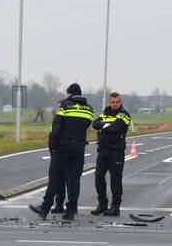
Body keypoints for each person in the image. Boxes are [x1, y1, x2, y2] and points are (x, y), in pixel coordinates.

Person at [29, 84, 95, 221]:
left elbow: (57, 127)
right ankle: (70, 211)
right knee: (74, 179)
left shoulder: (65, 105)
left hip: (63, 147)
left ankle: (45, 207)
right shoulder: (89, 109)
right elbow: (86, 125)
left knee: (55, 177)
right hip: (79, 147)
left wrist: (52, 146)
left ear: (69, 93)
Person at [90, 92, 131, 217]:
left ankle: (115, 207)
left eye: (117, 102)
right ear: (110, 102)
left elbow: (116, 128)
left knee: (115, 180)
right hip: (103, 150)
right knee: (98, 178)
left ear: (120, 102)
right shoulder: (105, 112)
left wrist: (103, 127)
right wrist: (105, 126)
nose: (114, 104)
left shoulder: (124, 115)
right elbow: (95, 124)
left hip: (116, 151)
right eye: (112, 102)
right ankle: (102, 204)